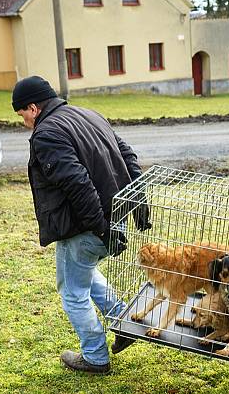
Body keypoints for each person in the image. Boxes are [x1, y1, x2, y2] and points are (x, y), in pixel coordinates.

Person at [12, 76, 148, 375]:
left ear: (33, 107)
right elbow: (127, 154)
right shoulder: (88, 114)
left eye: (21, 113)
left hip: (88, 225)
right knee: (83, 271)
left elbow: (78, 184)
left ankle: (95, 357)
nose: (22, 120)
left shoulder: (47, 133)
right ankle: (123, 319)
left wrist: (100, 228)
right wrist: (138, 204)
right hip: (113, 216)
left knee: (72, 291)